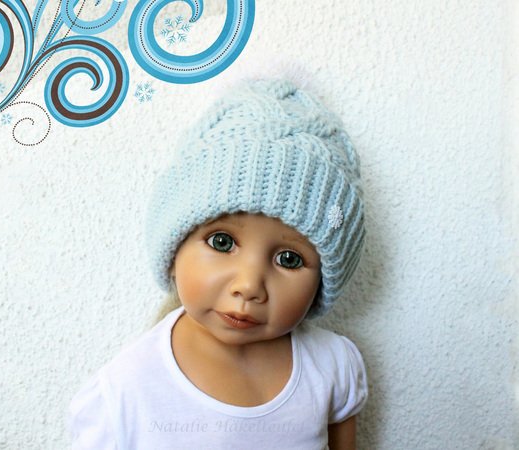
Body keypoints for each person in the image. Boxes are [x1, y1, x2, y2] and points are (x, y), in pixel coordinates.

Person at [68, 78, 368, 450]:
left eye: (289, 259)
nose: (249, 285)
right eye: (222, 242)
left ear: (324, 280)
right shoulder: (125, 394)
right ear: (174, 250)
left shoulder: (333, 366)